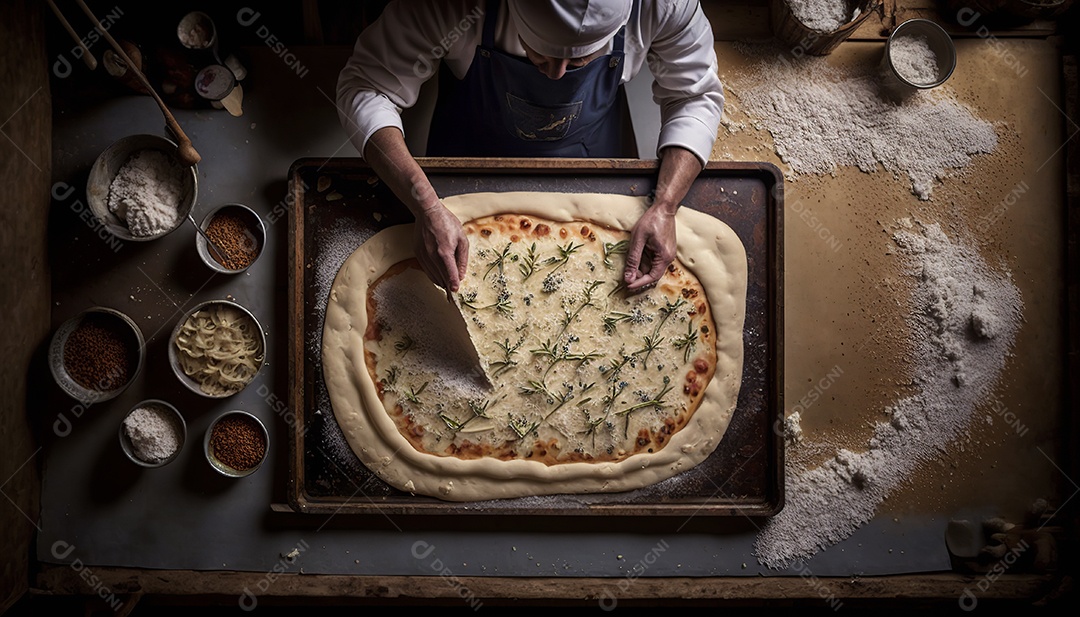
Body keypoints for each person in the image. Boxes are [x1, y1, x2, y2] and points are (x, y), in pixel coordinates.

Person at [336, 0, 723, 298]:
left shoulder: (662, 5)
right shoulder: (451, 4)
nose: (555, 74)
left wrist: (666, 204)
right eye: (540, 52)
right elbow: (368, 87)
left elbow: (694, 95)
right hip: (468, 148)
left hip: (595, 151)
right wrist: (424, 204)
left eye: (579, 60)